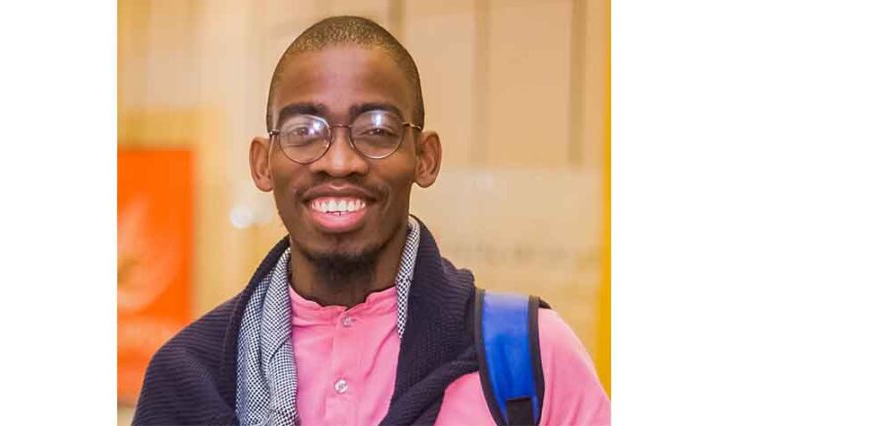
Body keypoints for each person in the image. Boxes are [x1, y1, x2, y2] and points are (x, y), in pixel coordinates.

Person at [133, 15, 609, 426]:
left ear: (425, 158)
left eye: (376, 130)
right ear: (263, 164)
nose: (339, 163)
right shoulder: (188, 377)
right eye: (304, 131)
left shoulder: (527, 357)